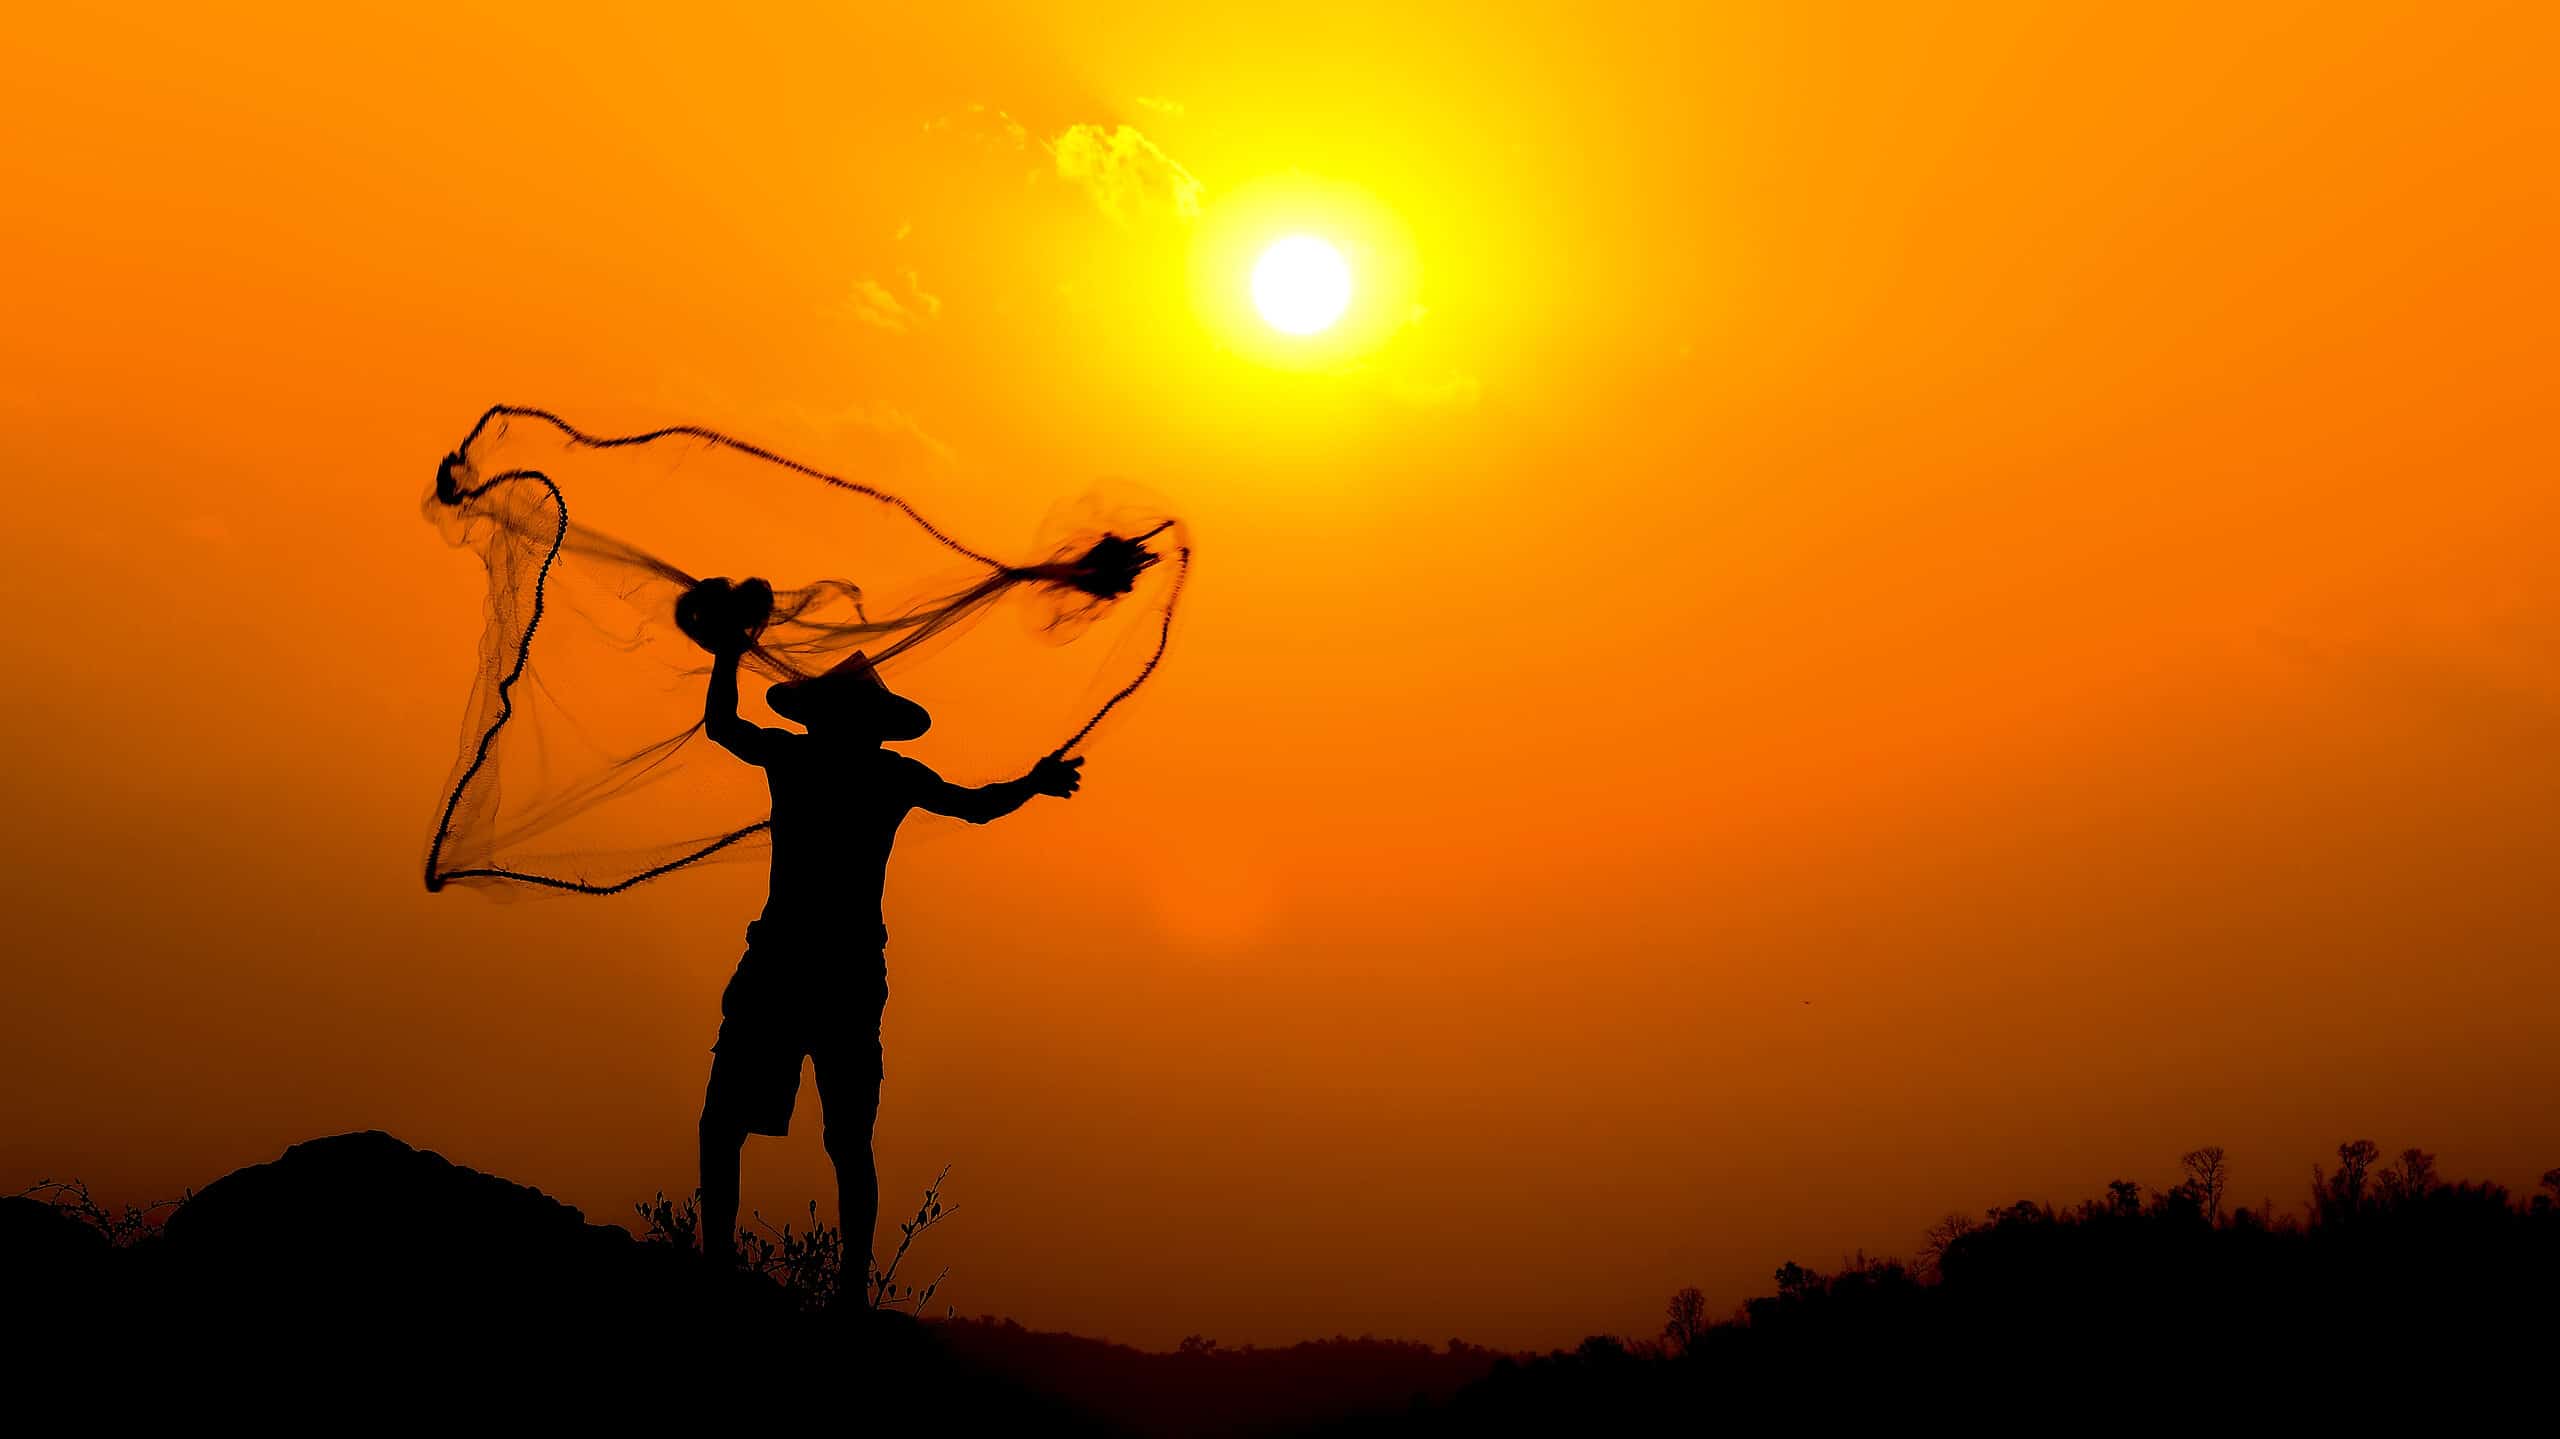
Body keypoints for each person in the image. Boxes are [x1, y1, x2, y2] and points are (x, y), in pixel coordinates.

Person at [680, 577, 1082, 1295]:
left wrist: (729, 654)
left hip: (791, 965)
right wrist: (1034, 783)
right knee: (837, 1139)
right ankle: (840, 1291)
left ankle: (744, 1275)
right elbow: (976, 807)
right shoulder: (882, 774)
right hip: (836, 972)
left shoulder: (799, 760)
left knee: (746, 1125)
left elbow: (723, 726)